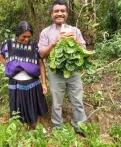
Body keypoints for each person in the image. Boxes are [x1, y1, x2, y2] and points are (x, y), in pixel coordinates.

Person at [38, 0, 87, 135]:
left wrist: (75, 41)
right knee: (57, 102)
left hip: (74, 72)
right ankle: (58, 127)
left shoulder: (75, 30)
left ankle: (80, 126)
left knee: (77, 100)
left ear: (67, 13)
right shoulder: (45, 32)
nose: (59, 13)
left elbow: (84, 49)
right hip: (55, 73)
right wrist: (53, 43)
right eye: (56, 11)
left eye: (62, 11)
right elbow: (41, 54)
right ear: (51, 14)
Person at [0, 21, 48, 128]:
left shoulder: (34, 46)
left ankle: (36, 126)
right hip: (16, 83)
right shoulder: (8, 44)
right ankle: (22, 127)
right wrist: (8, 65)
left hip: (33, 83)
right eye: (23, 36)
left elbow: (41, 64)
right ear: (17, 34)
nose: (26, 39)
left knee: (34, 106)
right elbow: (1, 56)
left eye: (29, 37)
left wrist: (44, 83)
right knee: (18, 108)